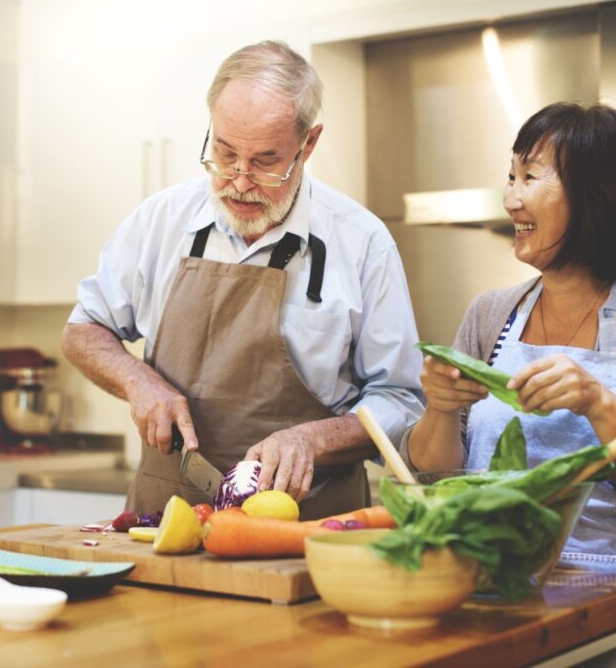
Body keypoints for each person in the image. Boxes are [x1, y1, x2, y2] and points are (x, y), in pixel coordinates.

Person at [404, 102, 616, 667]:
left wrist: (600, 403)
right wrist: (439, 407)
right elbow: (434, 472)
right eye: (511, 176)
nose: (511, 198)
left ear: (597, 195)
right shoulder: (490, 314)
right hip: (491, 597)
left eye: (531, 177)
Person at [61, 40, 424, 520]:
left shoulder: (362, 244)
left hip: (309, 529)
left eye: (266, 161)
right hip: (166, 520)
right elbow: (83, 331)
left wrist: (313, 439)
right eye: (225, 152)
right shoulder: (160, 221)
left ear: (308, 144)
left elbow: (401, 399)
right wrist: (139, 383)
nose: (240, 179)